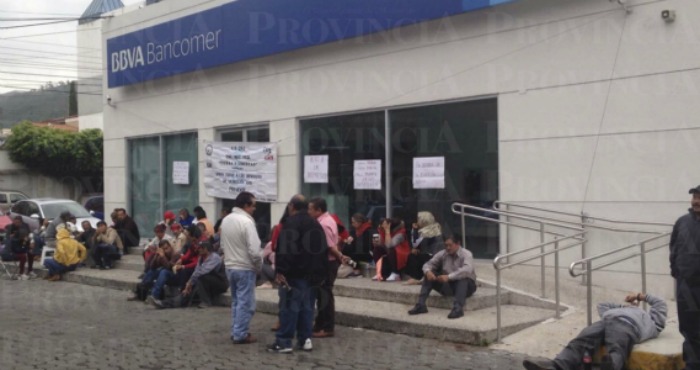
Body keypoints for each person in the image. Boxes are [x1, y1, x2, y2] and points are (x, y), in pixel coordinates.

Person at [522, 292, 667, 370]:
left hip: (628, 325)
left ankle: (611, 367)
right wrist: (626, 307)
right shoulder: (621, 310)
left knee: (617, 348)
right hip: (605, 321)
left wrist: (638, 296)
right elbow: (602, 305)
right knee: (579, 342)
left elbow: (660, 303)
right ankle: (556, 366)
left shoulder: (653, 322)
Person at [267, 194, 329, 353]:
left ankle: (284, 342)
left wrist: (281, 271)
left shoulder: (291, 223)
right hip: (313, 275)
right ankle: (305, 339)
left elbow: (286, 251)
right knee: (307, 308)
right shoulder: (316, 224)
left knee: (290, 307)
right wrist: (322, 274)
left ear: (291, 206)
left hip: (294, 274)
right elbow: (323, 251)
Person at [220, 191, 262, 345]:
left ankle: (236, 329)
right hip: (244, 267)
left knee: (237, 301)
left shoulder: (226, 220)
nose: (254, 209)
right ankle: (240, 333)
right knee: (246, 302)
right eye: (253, 205)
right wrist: (258, 266)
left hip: (230, 265)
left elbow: (223, 245)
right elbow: (255, 251)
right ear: (246, 205)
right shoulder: (246, 222)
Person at [408, 235, 476, 319]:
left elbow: (466, 270)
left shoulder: (467, 254)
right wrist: (428, 271)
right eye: (446, 245)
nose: (448, 248)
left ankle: (458, 309)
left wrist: (449, 277)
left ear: (458, 244)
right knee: (429, 274)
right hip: (449, 284)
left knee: (463, 278)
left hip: (467, 286)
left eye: (450, 245)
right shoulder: (443, 253)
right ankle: (421, 305)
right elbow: (428, 264)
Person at [308, 197, 349, 338]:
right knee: (322, 294)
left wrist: (340, 256)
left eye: (311, 209)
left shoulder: (324, 224)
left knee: (325, 295)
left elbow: (330, 246)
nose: (309, 212)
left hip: (327, 262)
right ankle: (319, 324)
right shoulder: (327, 219)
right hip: (329, 262)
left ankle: (327, 327)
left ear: (318, 210)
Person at [670, 185, 700, 370]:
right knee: (689, 329)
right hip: (686, 287)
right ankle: (693, 364)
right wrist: (677, 272)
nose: (696, 201)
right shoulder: (682, 222)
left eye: (699, 197)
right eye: (695, 197)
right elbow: (673, 249)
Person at [404, 211, 444, 285]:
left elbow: (415, 244)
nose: (417, 222)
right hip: (432, 255)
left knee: (412, 256)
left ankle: (416, 278)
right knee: (414, 254)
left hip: (432, 257)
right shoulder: (435, 228)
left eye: (418, 220)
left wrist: (414, 230)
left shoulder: (427, 232)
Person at [374, 216, 410, 282]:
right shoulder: (383, 230)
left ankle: (395, 273)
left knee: (391, 249)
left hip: (401, 253)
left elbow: (389, 245)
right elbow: (383, 244)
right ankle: (380, 272)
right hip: (391, 251)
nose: (382, 226)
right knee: (377, 248)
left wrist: (387, 231)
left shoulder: (401, 233)